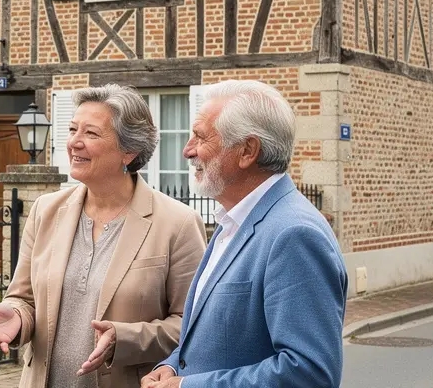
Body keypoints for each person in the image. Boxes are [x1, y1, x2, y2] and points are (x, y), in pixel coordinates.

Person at [0, 84, 208, 388]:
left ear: (129, 151)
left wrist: (125, 338)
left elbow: (193, 326)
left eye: (91, 133)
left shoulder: (178, 223)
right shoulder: (46, 210)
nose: (74, 142)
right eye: (73, 130)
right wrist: (16, 316)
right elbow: (24, 298)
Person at [142, 80, 348, 388]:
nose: (187, 150)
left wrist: (187, 386)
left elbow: (309, 373)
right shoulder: (234, 219)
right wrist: (172, 366)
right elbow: (215, 339)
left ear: (247, 151)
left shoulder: (294, 234)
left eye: (201, 136)